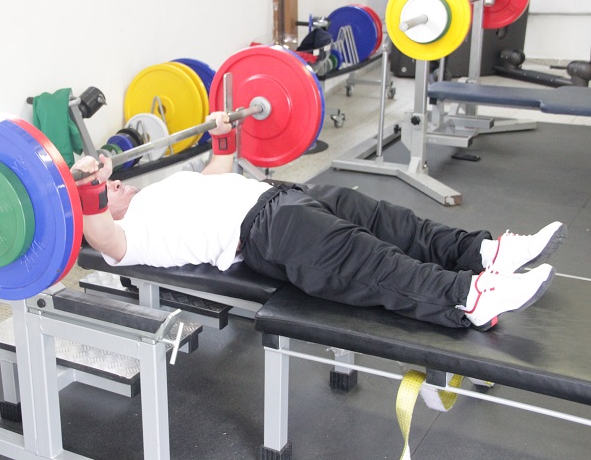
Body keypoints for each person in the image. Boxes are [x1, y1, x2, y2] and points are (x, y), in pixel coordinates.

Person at [71, 112, 566, 331]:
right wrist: (90, 189)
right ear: (94, 205)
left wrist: (223, 135)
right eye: (105, 190)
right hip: (270, 234)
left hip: (289, 196)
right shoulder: (134, 235)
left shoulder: (162, 191)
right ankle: (472, 298)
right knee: (376, 263)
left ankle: (486, 253)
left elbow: (217, 171)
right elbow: (102, 237)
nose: (115, 184)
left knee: (395, 222)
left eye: (110, 183)